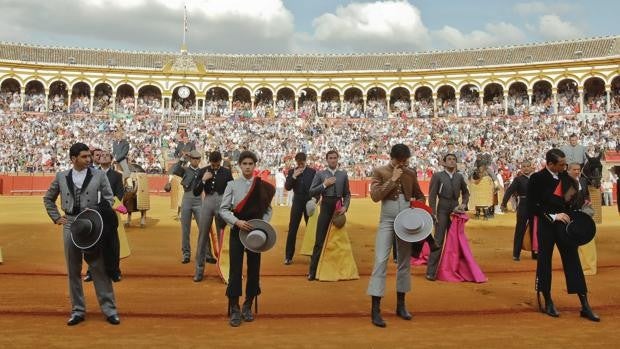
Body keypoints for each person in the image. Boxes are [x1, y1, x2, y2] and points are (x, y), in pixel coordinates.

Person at [43, 142, 121, 326]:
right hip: (70, 224)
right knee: (73, 270)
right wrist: (56, 217)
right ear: (73, 159)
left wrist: (98, 214)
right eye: (84, 157)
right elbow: (48, 198)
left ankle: (109, 309)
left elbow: (109, 198)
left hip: (92, 225)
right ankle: (78, 310)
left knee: (99, 267)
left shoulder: (99, 175)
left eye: (89, 156)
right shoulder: (62, 176)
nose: (89, 159)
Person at [527, 149, 599, 321]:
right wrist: (553, 215)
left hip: (566, 227)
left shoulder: (567, 179)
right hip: (546, 226)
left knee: (573, 261)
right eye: (561, 164)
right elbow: (532, 205)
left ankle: (585, 304)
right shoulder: (537, 178)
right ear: (550, 164)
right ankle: (548, 301)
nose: (564, 166)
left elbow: (572, 204)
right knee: (544, 261)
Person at [367, 144, 426, 327]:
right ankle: (375, 310)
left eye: (405, 161)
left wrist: (416, 206)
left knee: (404, 262)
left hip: (405, 221)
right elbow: (376, 196)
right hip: (387, 220)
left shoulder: (410, 173)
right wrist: (392, 179)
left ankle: (401, 305)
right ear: (392, 158)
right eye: (400, 160)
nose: (403, 164)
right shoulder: (380, 171)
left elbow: (420, 196)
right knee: (380, 260)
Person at [219, 150, 274, 327]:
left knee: (254, 268)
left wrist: (261, 225)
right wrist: (237, 222)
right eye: (245, 164)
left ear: (254, 166)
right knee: (235, 268)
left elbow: (268, 210)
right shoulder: (232, 185)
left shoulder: (261, 185)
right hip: (238, 230)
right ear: (240, 166)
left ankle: (248, 304)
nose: (248, 167)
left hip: (255, 234)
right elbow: (223, 209)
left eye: (251, 164)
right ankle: (234, 306)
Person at [307, 150, 351, 281]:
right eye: (330, 158)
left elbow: (347, 194)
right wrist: (324, 184)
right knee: (319, 240)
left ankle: (338, 270)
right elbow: (311, 191)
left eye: (335, 158)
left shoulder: (343, 174)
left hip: (338, 208)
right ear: (327, 160)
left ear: (338, 159)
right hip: (325, 206)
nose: (333, 160)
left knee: (338, 241)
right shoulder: (320, 174)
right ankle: (312, 271)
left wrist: (345, 206)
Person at [425, 153, 469, 281]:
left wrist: (464, 204)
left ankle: (455, 270)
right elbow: (432, 195)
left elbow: (466, 193)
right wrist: (433, 213)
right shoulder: (438, 176)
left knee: (456, 241)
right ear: (444, 163)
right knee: (438, 241)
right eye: (449, 159)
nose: (451, 161)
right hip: (442, 210)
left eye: (454, 159)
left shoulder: (459, 177)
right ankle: (431, 272)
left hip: (455, 209)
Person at [192, 150, 233, 282]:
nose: (215, 167)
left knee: (222, 236)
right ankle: (199, 271)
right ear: (210, 162)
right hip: (208, 201)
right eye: (213, 165)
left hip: (222, 203)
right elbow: (196, 191)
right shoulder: (203, 171)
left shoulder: (226, 172)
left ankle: (224, 270)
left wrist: (229, 206)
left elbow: (231, 189)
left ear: (220, 162)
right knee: (202, 236)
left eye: (217, 165)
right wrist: (203, 180)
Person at [85, 151, 125, 282]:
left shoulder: (117, 176)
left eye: (107, 155)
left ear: (112, 159)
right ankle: (91, 271)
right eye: (101, 155)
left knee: (112, 243)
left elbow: (119, 194)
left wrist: (109, 205)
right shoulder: (92, 173)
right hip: (95, 211)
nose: (103, 156)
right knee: (93, 242)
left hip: (109, 212)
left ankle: (114, 271)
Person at [283, 152, 316, 265]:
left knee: (311, 228)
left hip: (309, 200)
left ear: (305, 161)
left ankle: (313, 255)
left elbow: (316, 187)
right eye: (299, 162)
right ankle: (288, 256)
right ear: (296, 162)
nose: (301, 164)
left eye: (302, 162)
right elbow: (287, 187)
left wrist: (315, 199)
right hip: (297, 201)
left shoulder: (312, 172)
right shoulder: (292, 172)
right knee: (292, 228)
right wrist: (293, 176)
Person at [171, 149, 203, 264]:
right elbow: (174, 170)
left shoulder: (203, 171)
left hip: (199, 201)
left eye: (198, 159)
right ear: (190, 159)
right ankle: (186, 254)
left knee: (203, 229)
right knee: (185, 230)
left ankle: (204, 253)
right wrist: (182, 158)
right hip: (187, 200)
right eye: (194, 158)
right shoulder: (185, 170)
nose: (196, 161)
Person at [567, 162, 598, 276]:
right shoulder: (564, 183)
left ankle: (589, 267)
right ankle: (577, 266)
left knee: (586, 240)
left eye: (578, 169)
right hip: (570, 215)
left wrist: (587, 201)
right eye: (574, 169)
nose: (577, 171)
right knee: (571, 242)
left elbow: (586, 195)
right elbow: (566, 199)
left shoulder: (583, 181)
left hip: (582, 214)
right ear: (568, 170)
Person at [500, 160, 535, 261]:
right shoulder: (518, 179)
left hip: (534, 207)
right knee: (520, 229)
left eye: (528, 166)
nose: (526, 168)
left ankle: (535, 253)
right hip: (523, 206)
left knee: (534, 230)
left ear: (531, 167)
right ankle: (516, 253)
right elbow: (509, 191)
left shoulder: (536, 178)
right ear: (521, 168)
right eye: (524, 166)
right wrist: (503, 203)